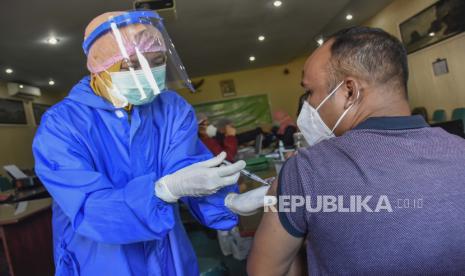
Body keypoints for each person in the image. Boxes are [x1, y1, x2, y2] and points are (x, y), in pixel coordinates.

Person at [33, 10, 269, 276]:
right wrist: (161, 191)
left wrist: (226, 202)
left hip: (168, 252)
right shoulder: (62, 124)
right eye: (133, 65)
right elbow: (88, 207)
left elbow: (187, 166)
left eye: (157, 62)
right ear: (101, 66)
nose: (147, 74)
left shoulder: (171, 109)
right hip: (100, 259)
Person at [248, 26, 465, 275]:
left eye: (310, 92)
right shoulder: (461, 150)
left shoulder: (305, 170)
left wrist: (281, 197)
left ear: (349, 91)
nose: (308, 105)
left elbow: (264, 272)